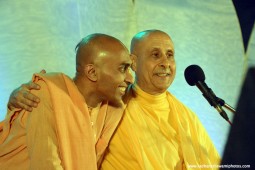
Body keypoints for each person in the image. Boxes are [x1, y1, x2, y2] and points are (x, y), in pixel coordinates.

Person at [6, 30, 220, 169]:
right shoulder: (110, 103)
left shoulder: (185, 117)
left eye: (170, 54)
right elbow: (47, 162)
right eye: (155, 55)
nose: (166, 63)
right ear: (134, 63)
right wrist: (21, 97)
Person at [0, 33, 133, 170]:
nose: (130, 78)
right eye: (122, 68)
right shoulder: (47, 92)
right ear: (92, 72)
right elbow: (46, 164)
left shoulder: (112, 109)